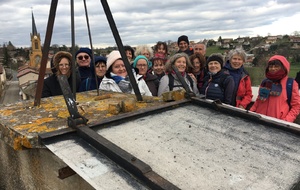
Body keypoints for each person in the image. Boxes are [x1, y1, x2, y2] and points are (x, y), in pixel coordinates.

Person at [250, 55, 300, 122]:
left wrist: (286, 121)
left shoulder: (291, 84)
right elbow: (259, 100)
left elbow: (296, 106)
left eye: (276, 66)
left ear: (283, 68)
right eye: (271, 66)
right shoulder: (265, 82)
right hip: (260, 121)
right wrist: (251, 113)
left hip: (278, 124)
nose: (273, 69)